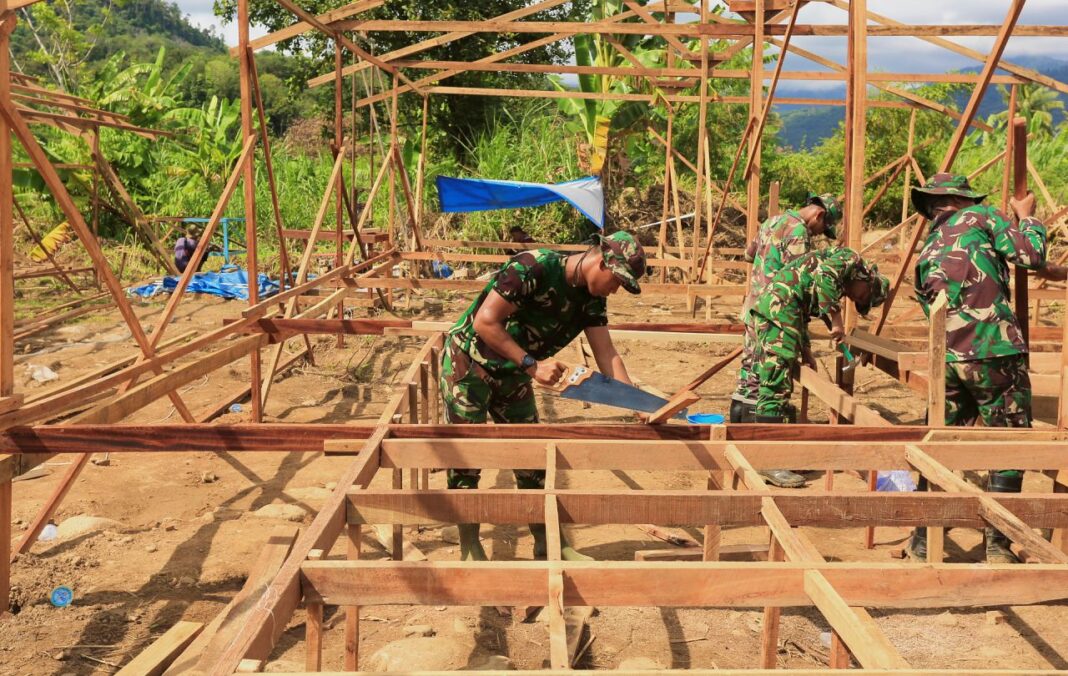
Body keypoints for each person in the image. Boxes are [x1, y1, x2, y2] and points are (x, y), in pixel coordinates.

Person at [440, 231, 647, 561]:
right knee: (466, 456)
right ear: (601, 260)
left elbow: (606, 353)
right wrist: (532, 365)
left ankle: (548, 542)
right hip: (469, 364)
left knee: (531, 458)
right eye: (617, 280)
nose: (615, 289)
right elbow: (485, 321)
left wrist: (635, 401)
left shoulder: (592, 299)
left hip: (514, 372)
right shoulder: (534, 267)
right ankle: (470, 546)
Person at [906, 173, 1067, 563]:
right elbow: (1029, 255)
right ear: (960, 200)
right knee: (1009, 441)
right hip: (993, 350)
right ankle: (999, 542)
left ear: (933, 207)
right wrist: (1027, 217)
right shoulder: (982, 216)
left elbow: (929, 302)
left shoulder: (928, 249)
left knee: (942, 441)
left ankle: (923, 539)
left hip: (945, 357)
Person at [748, 247, 889, 486]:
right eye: (861, 297)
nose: (854, 300)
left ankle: (774, 456)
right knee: (775, 383)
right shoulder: (850, 259)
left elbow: (805, 304)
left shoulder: (840, 279)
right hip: (779, 309)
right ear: (869, 281)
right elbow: (824, 275)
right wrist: (836, 319)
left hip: (784, 310)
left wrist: (805, 349)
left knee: (778, 382)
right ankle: (768, 461)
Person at [733, 193, 842, 425]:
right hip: (774, 315)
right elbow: (799, 285)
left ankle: (737, 424)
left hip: (753, 306)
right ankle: (756, 438)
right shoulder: (799, 232)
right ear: (819, 214)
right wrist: (805, 347)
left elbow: (748, 256)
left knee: (749, 372)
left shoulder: (771, 221)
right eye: (821, 229)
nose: (818, 234)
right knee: (767, 376)